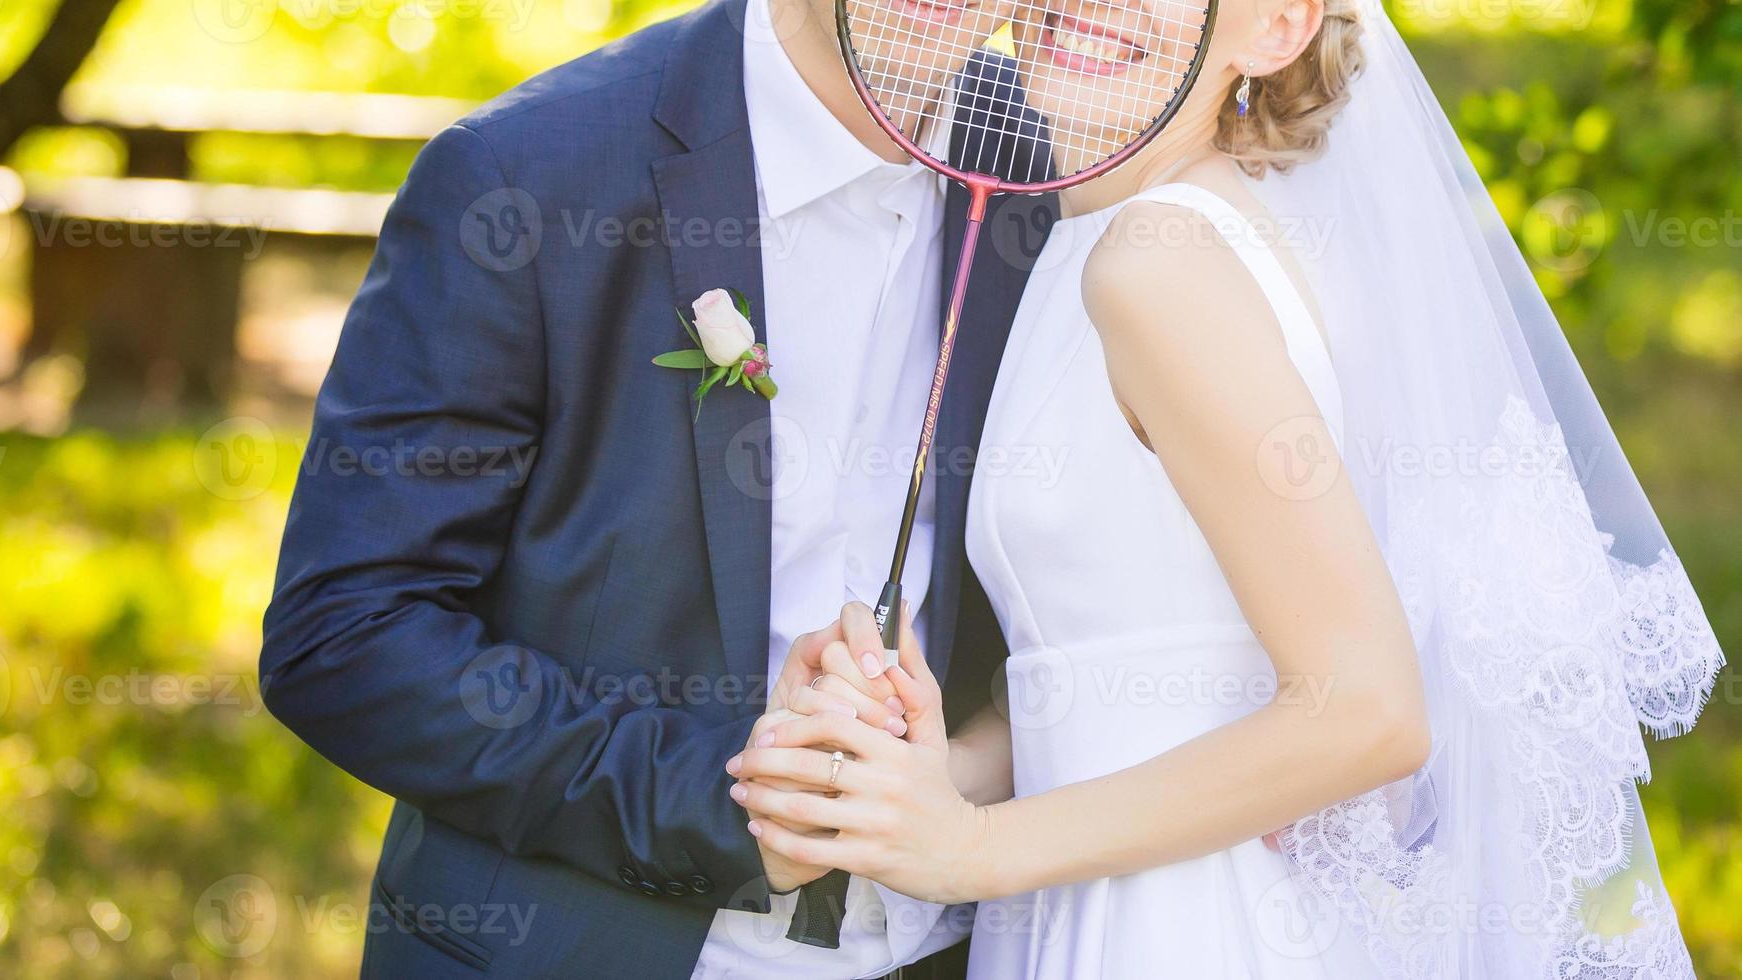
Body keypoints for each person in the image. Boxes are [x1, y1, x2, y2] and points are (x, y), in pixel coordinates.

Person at [728, 0, 1722, 975]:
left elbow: (1367, 710)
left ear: (1276, 28)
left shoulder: (1155, 266)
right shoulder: (1127, 233)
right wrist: (923, 780)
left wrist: (967, 851)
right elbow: (1133, 683)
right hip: (1114, 886)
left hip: (1186, 925)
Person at [257, 0, 1053, 974]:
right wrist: (719, 808)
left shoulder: (1067, 172)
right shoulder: (526, 176)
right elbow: (347, 633)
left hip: (964, 943)